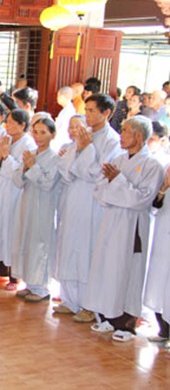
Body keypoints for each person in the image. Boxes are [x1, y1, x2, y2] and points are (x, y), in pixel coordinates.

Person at [84, 116, 164, 342]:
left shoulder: (152, 165)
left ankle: (126, 324)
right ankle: (107, 317)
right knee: (106, 268)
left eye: (126, 131)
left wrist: (118, 182)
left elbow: (142, 199)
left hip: (132, 226)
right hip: (111, 221)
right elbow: (100, 191)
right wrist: (117, 188)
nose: (121, 135)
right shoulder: (117, 160)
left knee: (127, 271)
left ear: (139, 135)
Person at [65, 94, 122, 323]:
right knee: (71, 246)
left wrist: (86, 149)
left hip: (94, 200)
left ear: (106, 113)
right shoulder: (83, 134)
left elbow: (97, 172)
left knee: (89, 250)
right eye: (86, 110)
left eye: (91, 111)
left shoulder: (112, 140)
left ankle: (90, 305)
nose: (87, 115)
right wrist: (80, 151)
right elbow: (68, 168)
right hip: (74, 195)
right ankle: (71, 299)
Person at [12, 118, 60, 303]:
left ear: (52, 135)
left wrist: (33, 167)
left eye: (43, 132)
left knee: (40, 242)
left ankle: (42, 287)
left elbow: (48, 183)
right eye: (36, 132)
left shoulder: (55, 158)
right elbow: (17, 181)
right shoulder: (30, 154)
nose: (38, 137)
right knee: (26, 239)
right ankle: (30, 283)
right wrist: (25, 167)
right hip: (27, 202)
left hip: (44, 205)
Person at [0, 109, 37, 290]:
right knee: (0, 227)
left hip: (16, 191)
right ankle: (0, 269)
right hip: (2, 188)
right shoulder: (6, 140)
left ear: (22, 125)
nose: (7, 125)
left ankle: (15, 276)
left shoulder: (28, 144)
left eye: (11, 122)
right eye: (7, 122)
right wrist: (1, 156)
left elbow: (20, 172)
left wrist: (7, 156)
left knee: (12, 230)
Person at [54, 115, 94, 315]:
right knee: (66, 248)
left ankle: (83, 301)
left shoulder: (91, 147)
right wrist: (71, 156)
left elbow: (84, 171)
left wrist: (80, 153)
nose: (73, 130)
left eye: (78, 127)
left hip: (86, 203)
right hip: (68, 202)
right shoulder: (67, 148)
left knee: (81, 252)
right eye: (70, 127)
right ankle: (68, 299)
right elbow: (65, 172)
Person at [143, 162, 170, 345]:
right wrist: (163, 188)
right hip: (163, 232)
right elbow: (156, 204)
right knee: (159, 281)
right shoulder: (167, 167)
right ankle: (164, 330)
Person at [53, 86, 76, 150]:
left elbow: (63, 129)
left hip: (62, 141)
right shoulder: (66, 109)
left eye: (58, 96)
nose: (57, 98)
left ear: (62, 97)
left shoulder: (69, 111)